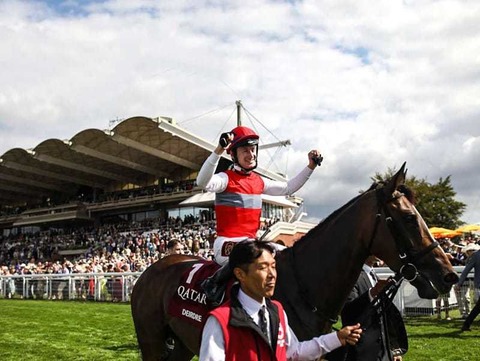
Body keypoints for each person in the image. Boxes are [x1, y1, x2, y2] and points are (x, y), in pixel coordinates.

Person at [197, 125, 321, 304]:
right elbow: (202, 181)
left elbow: (288, 187)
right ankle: (213, 282)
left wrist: (311, 166)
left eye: (253, 149)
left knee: (286, 252)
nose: (251, 154)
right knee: (253, 250)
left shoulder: (259, 181)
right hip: (225, 244)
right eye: (245, 150)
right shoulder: (225, 179)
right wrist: (218, 150)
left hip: (250, 244)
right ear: (233, 155)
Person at [199, 240, 362, 360]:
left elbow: (295, 352)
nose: (272, 275)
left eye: (273, 266)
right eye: (262, 267)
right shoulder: (219, 322)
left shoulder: (277, 310)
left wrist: (337, 338)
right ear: (240, 274)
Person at [329, 255, 407, 361]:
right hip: (362, 353)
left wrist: (393, 349)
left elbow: (383, 316)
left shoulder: (373, 275)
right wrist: (372, 293)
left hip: (383, 353)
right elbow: (348, 312)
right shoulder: (351, 276)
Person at [457, 243, 480, 331]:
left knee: (478, 307)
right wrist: (459, 283)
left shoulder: (475, 255)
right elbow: (466, 270)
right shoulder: (476, 255)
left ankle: (466, 325)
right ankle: (466, 325)